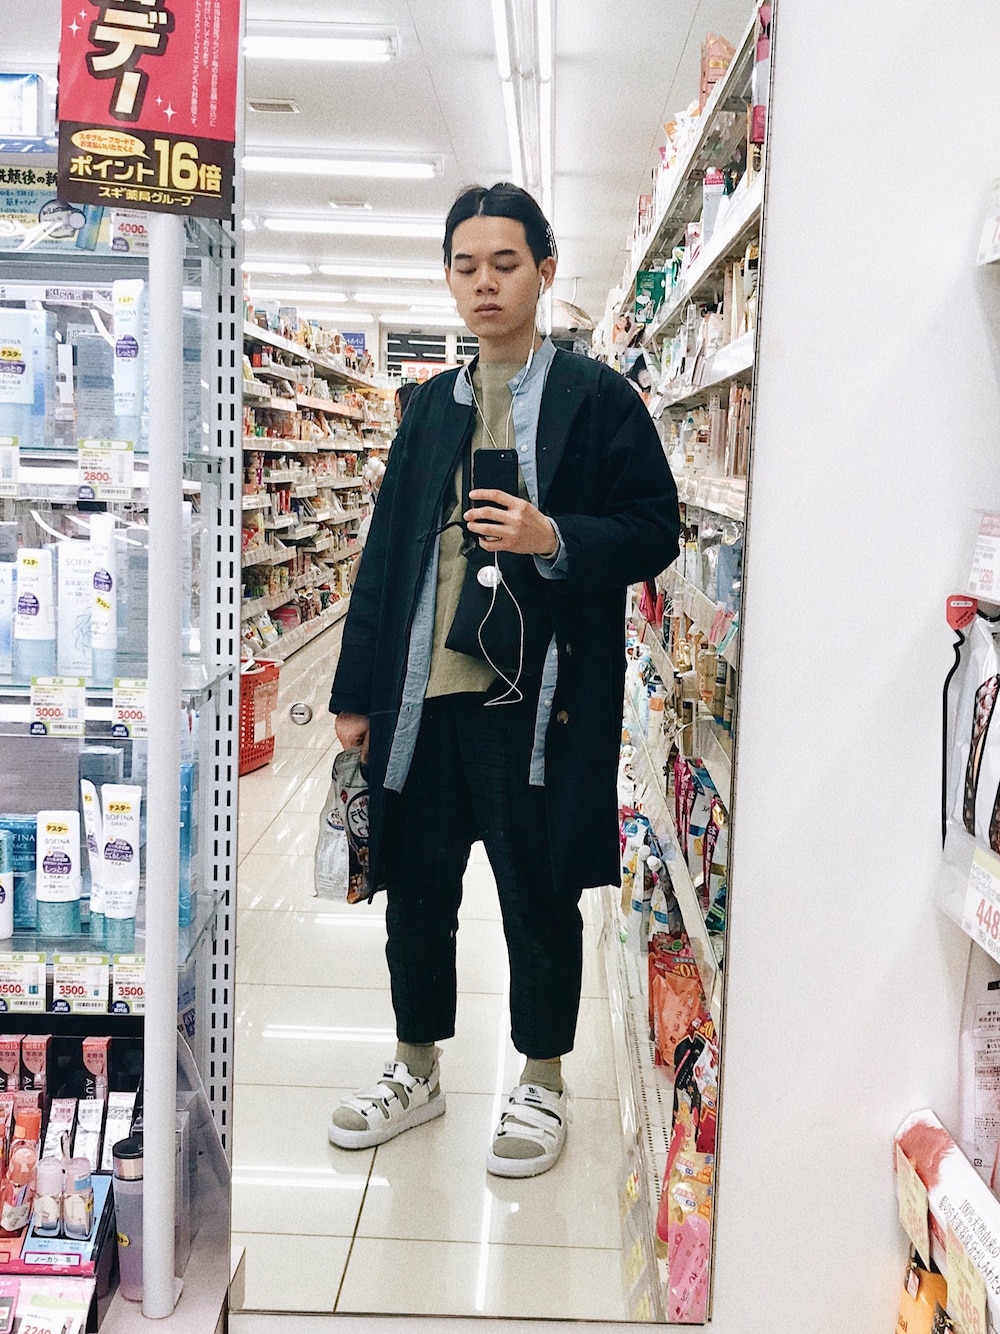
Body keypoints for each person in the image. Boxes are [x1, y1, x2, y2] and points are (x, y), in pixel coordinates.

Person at [327, 182, 680, 1178]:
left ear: (544, 270)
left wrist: (553, 536)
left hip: (537, 707)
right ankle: (416, 1066)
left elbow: (655, 528)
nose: (484, 284)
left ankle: (542, 1077)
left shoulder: (596, 399)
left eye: (505, 264)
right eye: (465, 266)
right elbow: (385, 552)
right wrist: (354, 691)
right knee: (415, 893)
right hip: (424, 700)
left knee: (538, 895)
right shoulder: (427, 408)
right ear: (448, 278)